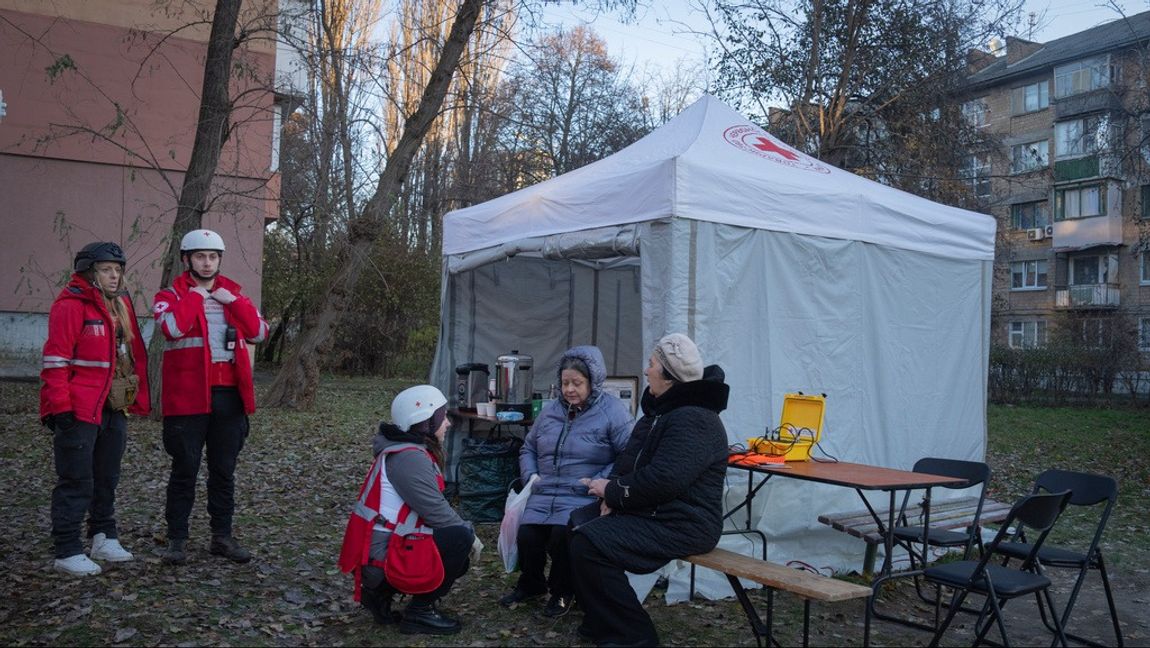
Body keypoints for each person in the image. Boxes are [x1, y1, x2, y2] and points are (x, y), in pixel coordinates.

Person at [571, 333, 729, 647]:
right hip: (656, 511)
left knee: (589, 544)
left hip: (685, 523)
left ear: (669, 376)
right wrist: (610, 495)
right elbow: (630, 460)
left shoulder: (695, 419)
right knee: (578, 522)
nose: (646, 371)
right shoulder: (663, 411)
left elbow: (665, 479)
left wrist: (615, 494)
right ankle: (601, 618)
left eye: (652, 364)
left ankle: (634, 635)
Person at [154, 229, 268, 565]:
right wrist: (198, 295)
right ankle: (177, 540)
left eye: (213, 257)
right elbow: (172, 329)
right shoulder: (170, 295)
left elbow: (259, 333)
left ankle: (222, 537)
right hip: (187, 399)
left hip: (228, 397)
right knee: (185, 468)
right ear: (187, 259)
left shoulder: (232, 293)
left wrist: (232, 301)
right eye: (201, 257)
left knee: (224, 471)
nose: (207, 263)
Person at [40, 241, 151, 576]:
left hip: (112, 407)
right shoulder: (71, 306)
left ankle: (103, 535)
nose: (114, 276)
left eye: (117, 270)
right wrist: (60, 408)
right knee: (76, 479)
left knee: (107, 476)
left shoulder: (118, 307)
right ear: (89, 272)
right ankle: (67, 549)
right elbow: (55, 361)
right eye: (106, 270)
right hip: (78, 408)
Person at [499, 345, 633, 618]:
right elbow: (529, 449)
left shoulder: (613, 411)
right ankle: (532, 583)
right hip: (544, 491)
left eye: (577, 383)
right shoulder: (550, 412)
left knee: (563, 535)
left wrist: (600, 481)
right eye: (565, 383)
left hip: (583, 494)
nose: (570, 389)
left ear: (593, 383)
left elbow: (628, 455)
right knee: (527, 536)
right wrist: (531, 476)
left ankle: (563, 590)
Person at [340, 385, 482, 635]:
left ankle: (380, 594)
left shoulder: (404, 450)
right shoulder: (409, 458)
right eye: (442, 417)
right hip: (382, 555)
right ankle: (420, 612)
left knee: (458, 538)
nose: (448, 423)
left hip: (378, 551)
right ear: (425, 421)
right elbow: (437, 513)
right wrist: (471, 535)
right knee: (459, 540)